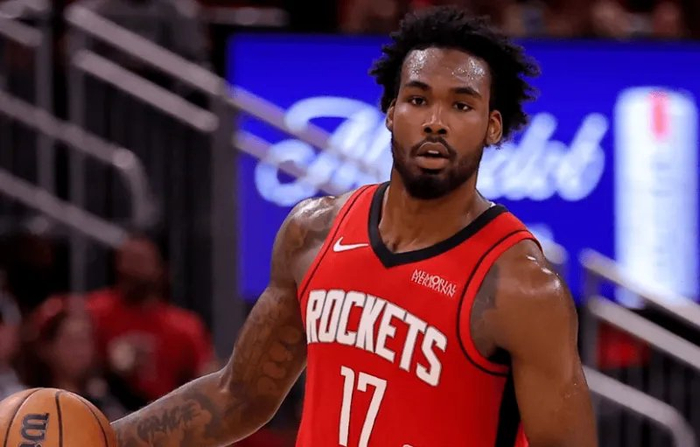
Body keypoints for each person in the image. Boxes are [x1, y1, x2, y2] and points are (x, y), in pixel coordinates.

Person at [112, 6, 598, 447]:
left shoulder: (520, 286)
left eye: (461, 105)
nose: (435, 121)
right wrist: (107, 438)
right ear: (390, 113)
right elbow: (237, 395)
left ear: (493, 127)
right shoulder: (313, 232)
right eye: (418, 99)